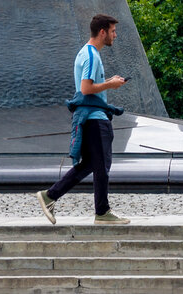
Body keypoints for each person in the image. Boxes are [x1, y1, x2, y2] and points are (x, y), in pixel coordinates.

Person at [36, 14, 129, 225]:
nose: (115, 35)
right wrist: (109, 85)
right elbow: (86, 89)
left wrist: (108, 81)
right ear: (102, 32)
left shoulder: (87, 53)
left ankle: (50, 195)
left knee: (90, 164)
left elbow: (89, 86)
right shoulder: (91, 55)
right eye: (113, 31)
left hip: (92, 116)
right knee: (102, 166)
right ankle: (102, 212)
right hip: (95, 119)